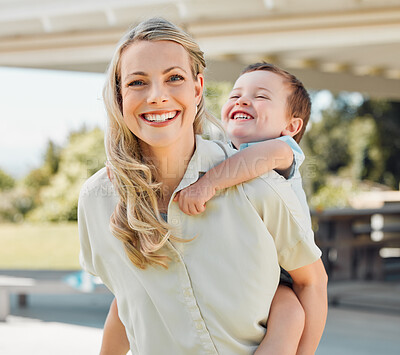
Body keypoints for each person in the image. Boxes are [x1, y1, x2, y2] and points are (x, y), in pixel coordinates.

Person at [78, 17, 327, 355]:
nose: (156, 96)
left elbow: (311, 282)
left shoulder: (259, 183)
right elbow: (126, 303)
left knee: (288, 309)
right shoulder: (96, 199)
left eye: (174, 78)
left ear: (197, 89)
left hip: (279, 298)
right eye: (137, 82)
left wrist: (207, 185)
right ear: (119, 96)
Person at [173, 62, 320, 354]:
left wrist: (208, 184)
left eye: (261, 96)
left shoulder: (283, 150)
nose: (242, 100)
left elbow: (255, 160)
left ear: (290, 127)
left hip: (284, 270)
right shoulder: (218, 151)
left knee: (290, 315)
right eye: (235, 94)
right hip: (242, 265)